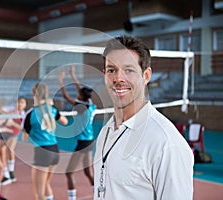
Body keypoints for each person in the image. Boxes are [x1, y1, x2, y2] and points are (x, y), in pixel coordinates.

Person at [93, 35, 194, 199]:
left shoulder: (166, 144)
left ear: (146, 76)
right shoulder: (106, 132)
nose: (118, 78)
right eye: (112, 70)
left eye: (129, 70)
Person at [23, 83, 68, 200]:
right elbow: (65, 121)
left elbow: (24, 139)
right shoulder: (52, 110)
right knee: (46, 183)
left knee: (39, 194)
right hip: (55, 151)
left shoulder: (30, 114)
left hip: (42, 153)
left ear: (34, 94)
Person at [58, 66, 96, 200]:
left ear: (81, 97)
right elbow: (81, 90)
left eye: (79, 94)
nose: (77, 94)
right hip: (90, 141)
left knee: (69, 172)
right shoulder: (90, 104)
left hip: (83, 143)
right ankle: (99, 195)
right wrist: (73, 75)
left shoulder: (80, 107)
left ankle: (72, 198)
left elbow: (65, 96)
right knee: (87, 171)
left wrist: (60, 81)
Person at [0, 97, 27, 185]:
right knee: (0, 152)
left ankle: (11, 173)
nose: (20, 104)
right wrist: (8, 114)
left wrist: (12, 123)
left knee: (9, 150)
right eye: (19, 102)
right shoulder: (11, 109)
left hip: (13, 133)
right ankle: (6, 175)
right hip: (3, 132)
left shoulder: (23, 115)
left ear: (25, 105)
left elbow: (22, 129)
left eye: (22, 102)